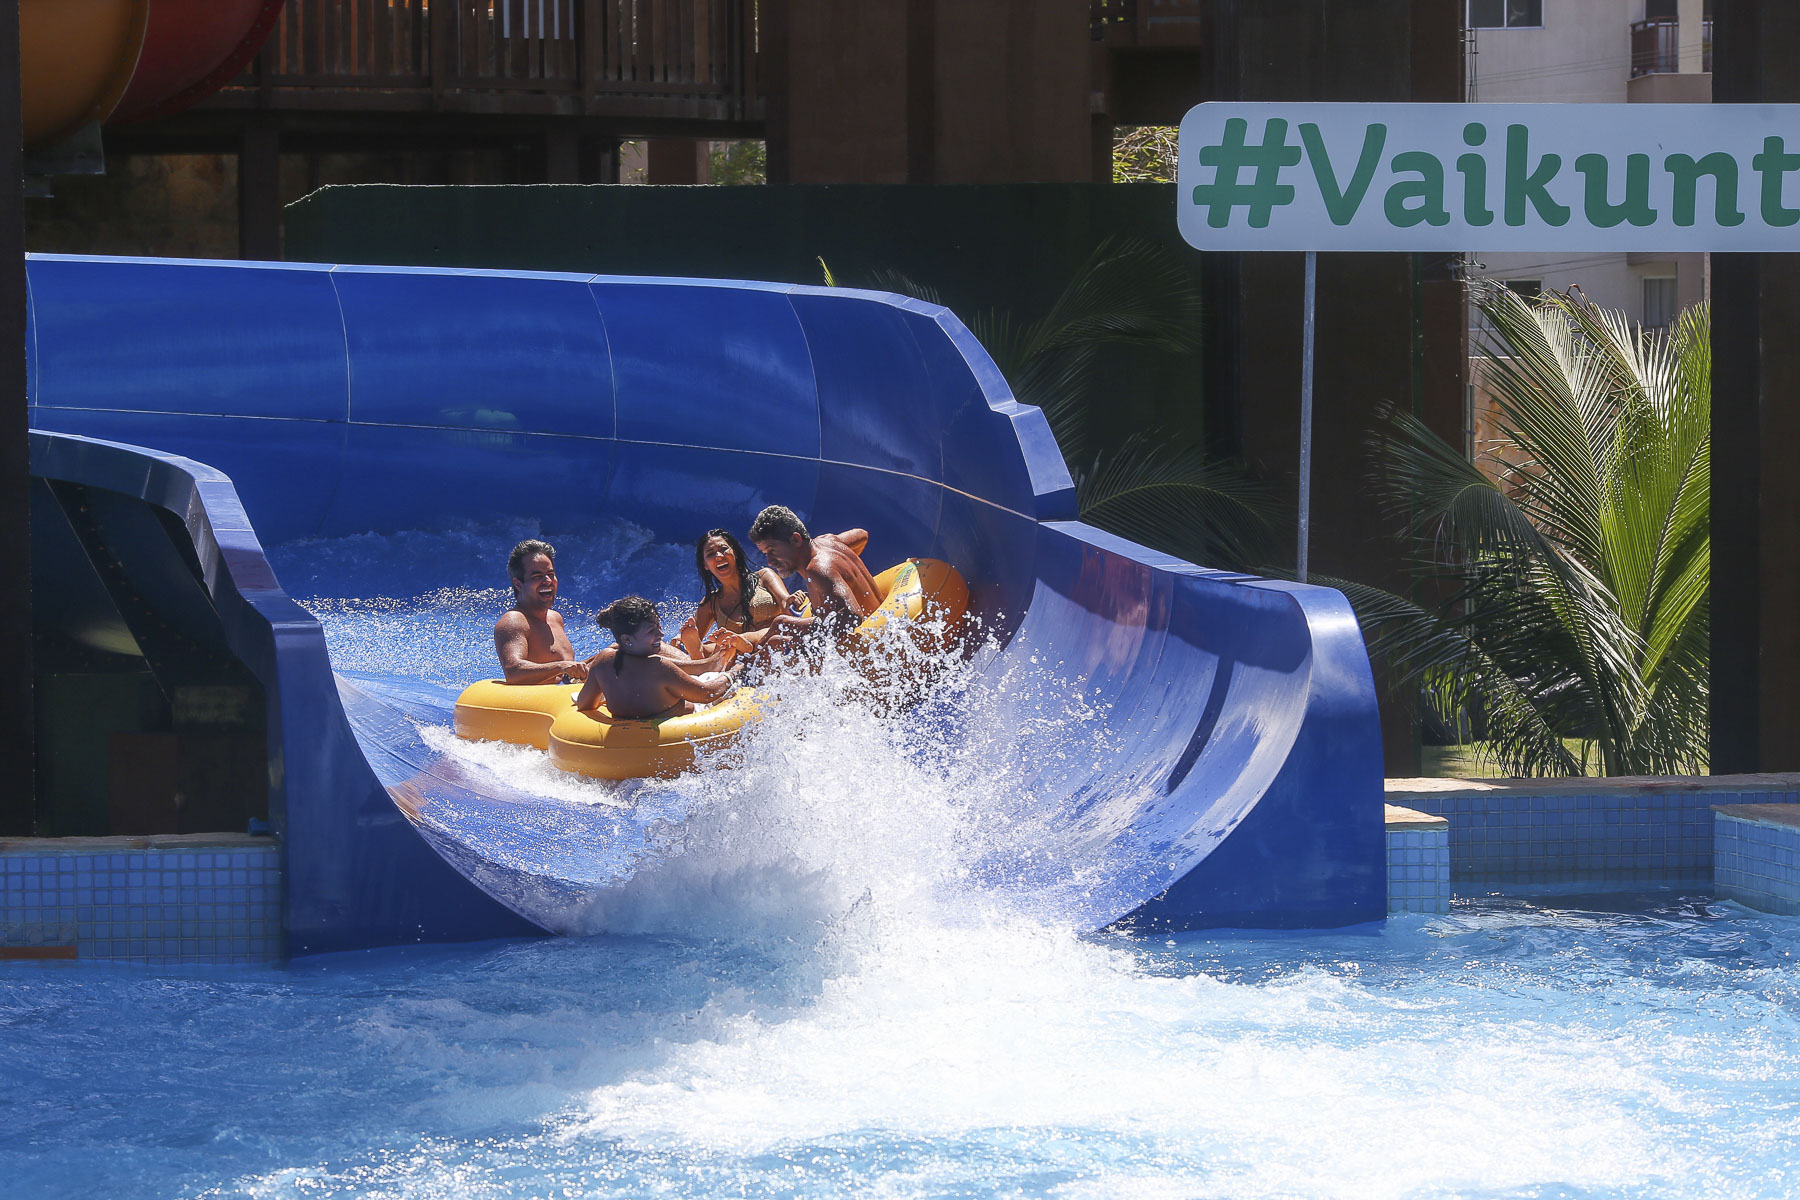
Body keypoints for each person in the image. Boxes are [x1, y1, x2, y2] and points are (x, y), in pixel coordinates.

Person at [576, 596, 733, 720]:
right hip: (685, 725)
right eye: (652, 630)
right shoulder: (659, 667)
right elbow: (707, 694)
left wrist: (609, 695)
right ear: (626, 639)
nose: (661, 634)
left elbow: (584, 704)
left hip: (627, 739)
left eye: (659, 627)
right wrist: (733, 674)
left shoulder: (603, 661)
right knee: (721, 681)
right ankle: (708, 662)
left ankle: (704, 663)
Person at [748, 505, 880, 640]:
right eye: (765, 554)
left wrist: (787, 624)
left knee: (779, 628)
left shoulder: (817, 570)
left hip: (872, 640)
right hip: (879, 621)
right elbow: (862, 534)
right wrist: (842, 572)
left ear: (796, 540)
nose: (770, 561)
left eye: (772, 550)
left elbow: (852, 618)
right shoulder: (827, 542)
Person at [679, 528, 794, 663]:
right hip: (741, 660)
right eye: (710, 554)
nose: (718, 556)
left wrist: (793, 600)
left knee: (777, 625)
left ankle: (741, 641)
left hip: (775, 644)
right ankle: (698, 653)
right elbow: (691, 635)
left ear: (735, 552)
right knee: (718, 646)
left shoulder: (764, 577)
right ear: (705, 565)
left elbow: (786, 604)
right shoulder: (712, 603)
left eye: (723, 549)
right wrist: (680, 640)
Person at [493, 539, 591, 685]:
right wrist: (560, 666)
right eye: (537, 576)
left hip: (562, 694)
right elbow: (513, 671)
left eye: (551, 574)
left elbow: (565, 675)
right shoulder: (514, 621)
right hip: (534, 698)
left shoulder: (555, 618)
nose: (548, 581)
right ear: (518, 584)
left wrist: (602, 658)